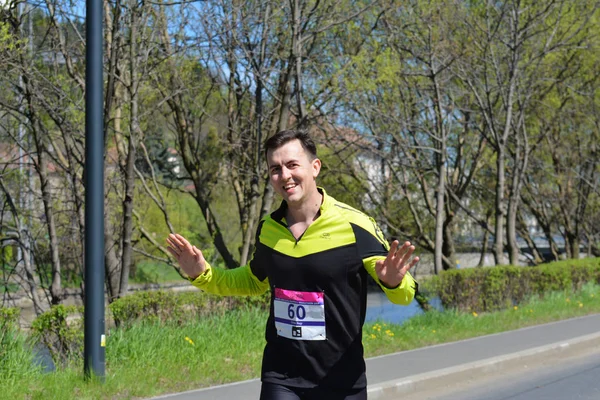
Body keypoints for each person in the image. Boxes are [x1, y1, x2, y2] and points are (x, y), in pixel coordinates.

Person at [166, 129, 419, 400]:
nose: (284, 175)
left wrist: (393, 281)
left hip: (341, 379)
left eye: (292, 165)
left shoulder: (356, 225)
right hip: (282, 376)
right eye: (275, 169)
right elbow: (252, 281)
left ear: (315, 167)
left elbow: (405, 295)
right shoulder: (269, 228)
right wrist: (202, 275)